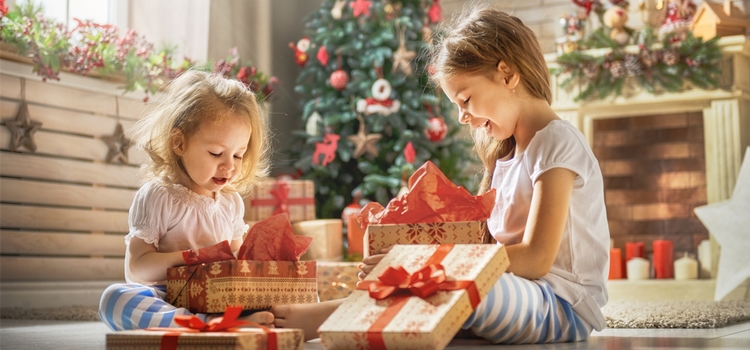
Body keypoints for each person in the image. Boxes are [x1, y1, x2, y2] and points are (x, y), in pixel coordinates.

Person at [272, 4, 610, 344]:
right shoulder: (507, 156)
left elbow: (536, 259)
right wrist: (407, 265)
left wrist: (421, 264)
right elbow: (490, 252)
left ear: (507, 74)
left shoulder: (556, 140)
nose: (462, 117)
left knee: (447, 281)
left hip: (562, 304)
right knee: (436, 281)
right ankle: (341, 314)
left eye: (465, 99)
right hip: (514, 293)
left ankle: (333, 317)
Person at [98, 70, 273, 331]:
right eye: (216, 153)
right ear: (178, 143)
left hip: (217, 296)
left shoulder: (231, 202)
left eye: (238, 155)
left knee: (282, 296)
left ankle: (243, 320)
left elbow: (239, 259)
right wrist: (195, 257)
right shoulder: (159, 196)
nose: (229, 166)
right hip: (168, 297)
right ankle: (208, 325)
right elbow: (136, 270)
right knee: (115, 299)